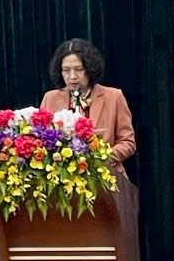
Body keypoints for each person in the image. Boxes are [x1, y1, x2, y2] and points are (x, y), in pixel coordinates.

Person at [40, 39, 136, 172]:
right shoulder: (50, 98)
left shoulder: (114, 97)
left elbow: (128, 142)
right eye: (66, 70)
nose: (72, 76)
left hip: (106, 175)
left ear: (90, 69)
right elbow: (41, 141)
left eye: (79, 69)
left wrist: (100, 160)